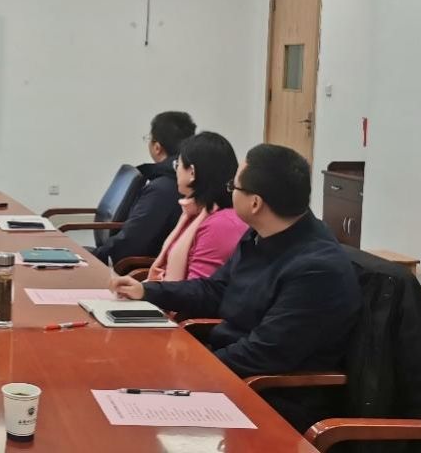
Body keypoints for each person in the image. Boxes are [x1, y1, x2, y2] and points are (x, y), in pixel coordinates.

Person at [109, 143, 360, 431]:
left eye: (234, 186)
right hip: (230, 376)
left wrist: (188, 370)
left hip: (269, 401)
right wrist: (147, 291)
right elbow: (216, 290)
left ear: (255, 203)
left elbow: (263, 354)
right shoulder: (259, 235)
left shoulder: (316, 270)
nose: (229, 191)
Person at [93, 111, 197, 264]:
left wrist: (91, 257)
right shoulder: (191, 181)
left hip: (138, 268)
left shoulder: (162, 189)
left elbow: (130, 242)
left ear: (157, 147)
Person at [146, 131, 248, 281]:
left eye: (177, 165)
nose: (176, 171)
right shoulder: (195, 211)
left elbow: (198, 289)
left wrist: (147, 290)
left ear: (192, 173)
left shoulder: (221, 224)